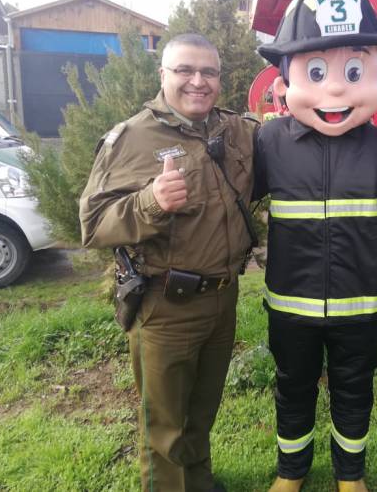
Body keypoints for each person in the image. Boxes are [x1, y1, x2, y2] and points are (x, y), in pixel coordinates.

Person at [79, 33, 257, 492]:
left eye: (209, 72)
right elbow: (93, 224)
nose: (198, 81)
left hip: (222, 298)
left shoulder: (236, 130)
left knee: (200, 410)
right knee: (164, 426)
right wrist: (150, 202)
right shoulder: (132, 138)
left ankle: (198, 482)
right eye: (185, 71)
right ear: (163, 75)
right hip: (166, 305)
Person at [255, 0, 377, 492]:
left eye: (354, 71)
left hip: (361, 305)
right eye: (315, 72)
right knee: (292, 387)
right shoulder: (269, 142)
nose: (335, 88)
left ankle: (350, 476)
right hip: (291, 303)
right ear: (282, 83)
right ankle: (290, 472)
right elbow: (228, 200)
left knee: (354, 389)